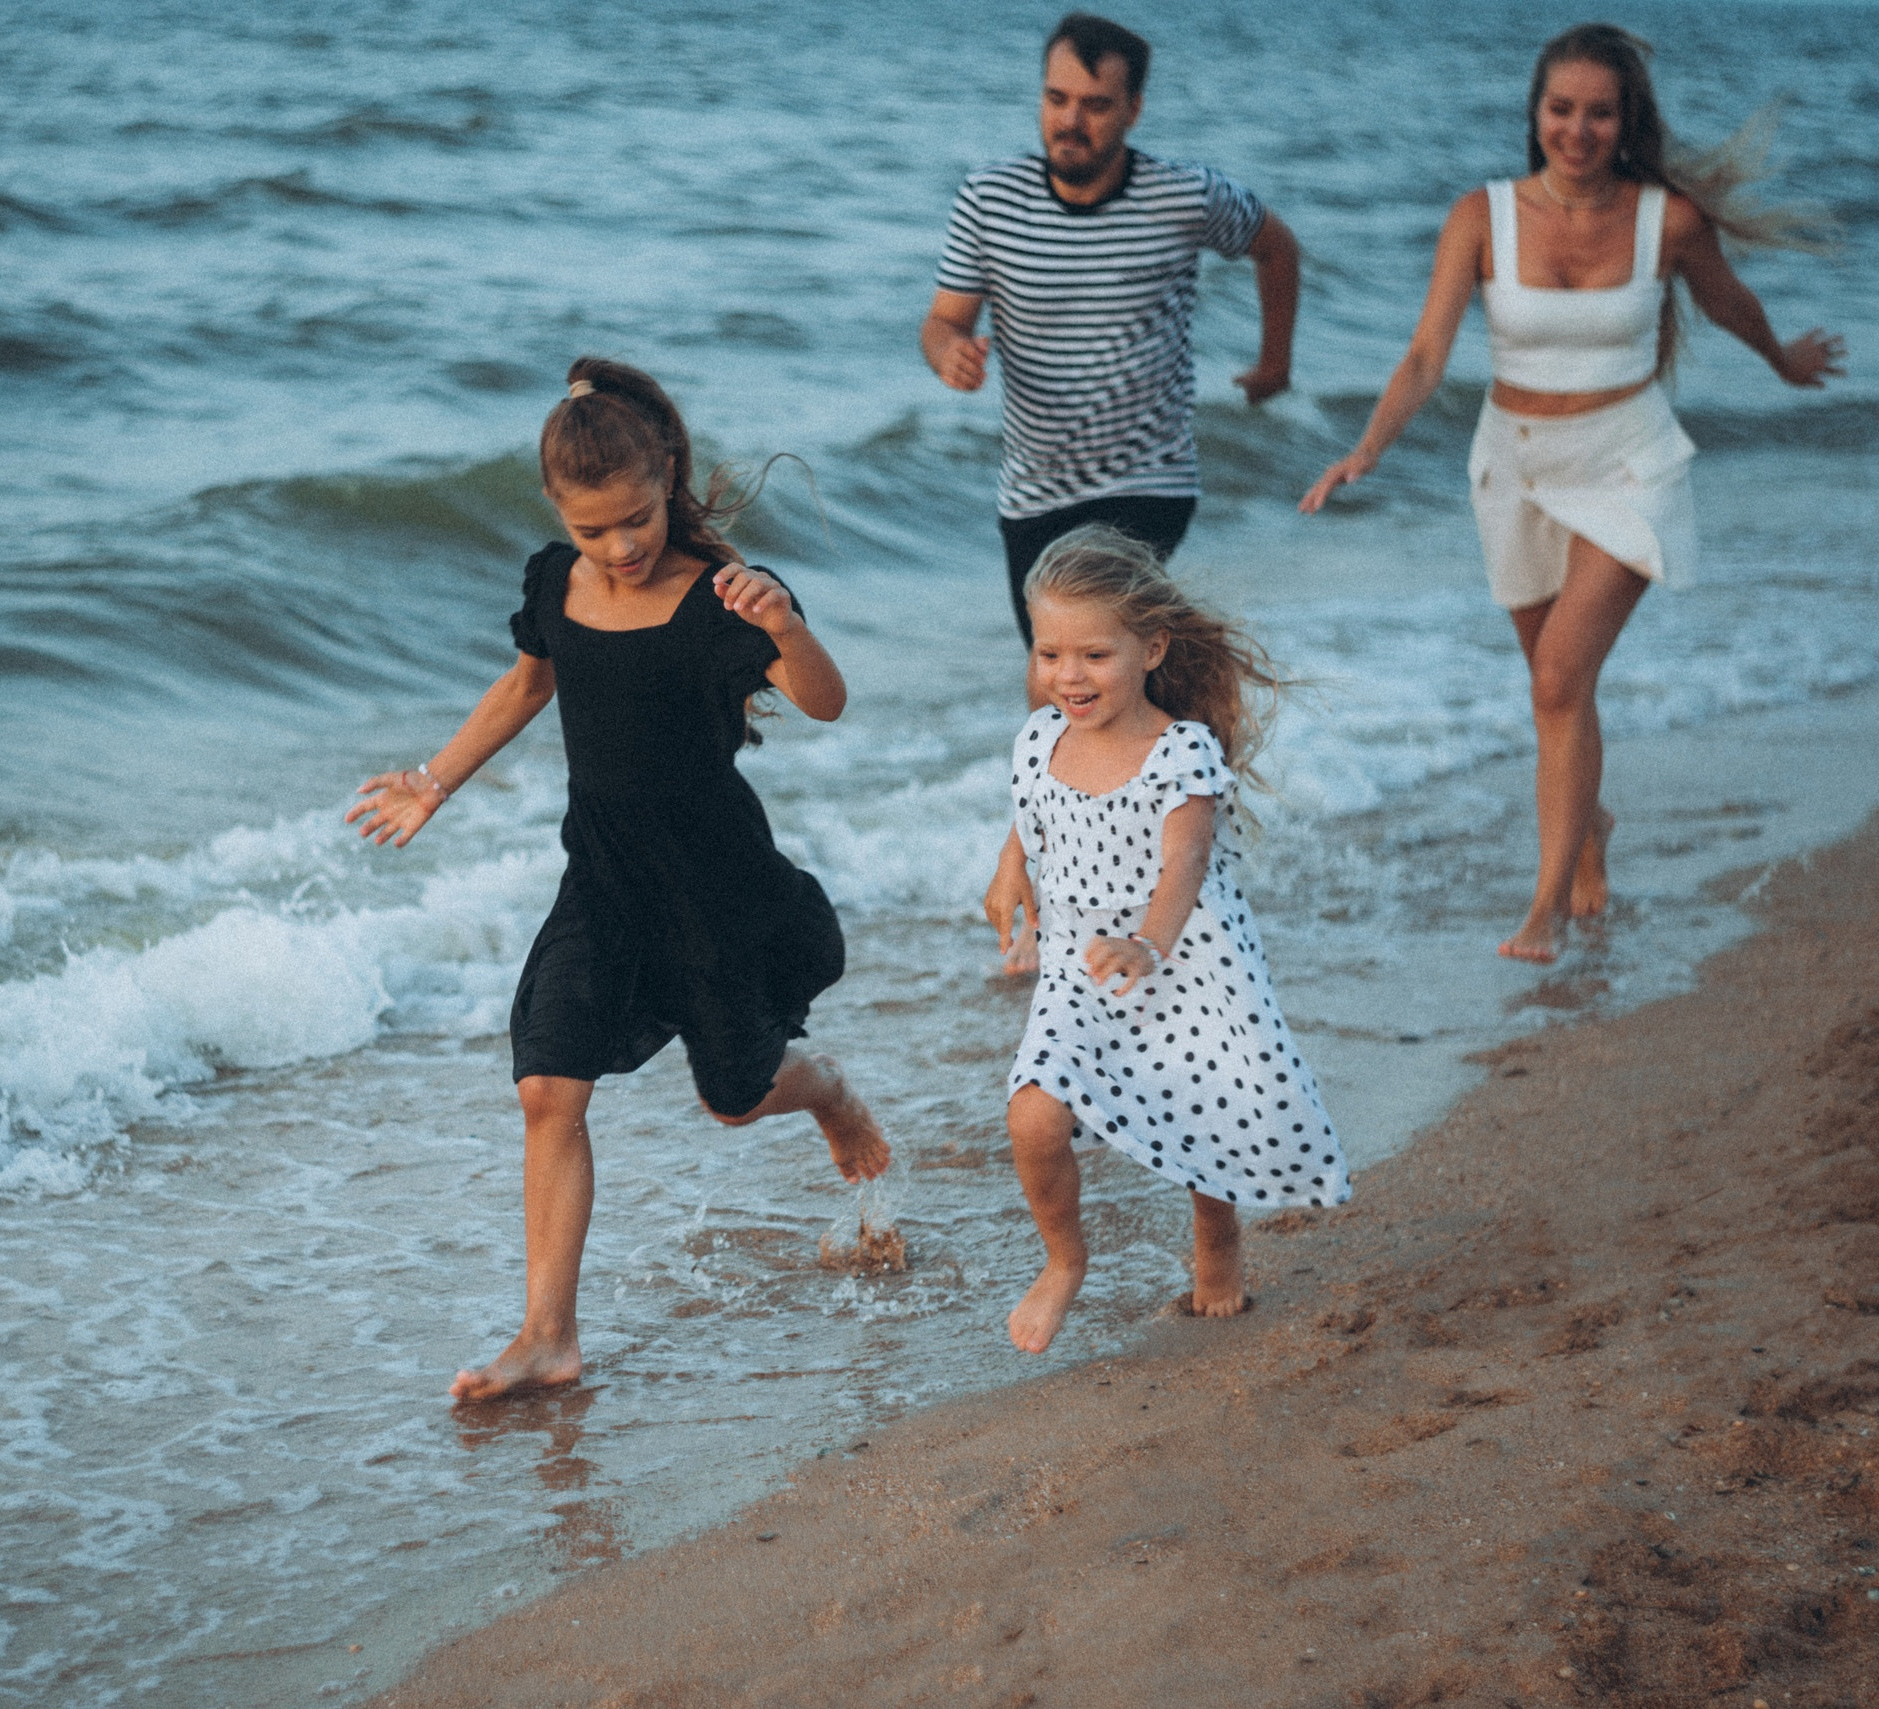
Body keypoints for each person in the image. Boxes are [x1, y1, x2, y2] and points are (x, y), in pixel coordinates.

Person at [347, 357, 892, 1403]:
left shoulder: (719, 597)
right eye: (595, 529)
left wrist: (783, 623)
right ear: (559, 513)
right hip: (600, 877)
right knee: (548, 1085)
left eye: (636, 519)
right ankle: (547, 1335)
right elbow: (525, 683)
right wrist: (432, 781)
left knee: (736, 1099)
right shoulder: (554, 582)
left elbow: (824, 702)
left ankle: (825, 1089)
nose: (621, 545)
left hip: (713, 884)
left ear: (666, 476)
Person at [1300, 23, 1845, 963]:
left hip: (1628, 463)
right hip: (1513, 467)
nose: (1579, 130)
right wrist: (1368, 448)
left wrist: (1784, 361)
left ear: (1626, 119)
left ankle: (1545, 907)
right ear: (1536, 115)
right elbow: (1427, 352)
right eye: (1562, 110)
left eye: (1600, 112)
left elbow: (1729, 302)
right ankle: (1589, 831)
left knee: (1559, 679)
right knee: (1557, 687)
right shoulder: (1482, 216)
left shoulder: (1665, 221)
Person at [981, 525, 1343, 1355]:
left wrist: (1149, 943)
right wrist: (1011, 873)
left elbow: (1186, 859)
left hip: (1186, 961)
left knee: (1203, 1116)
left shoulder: (1180, 750)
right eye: (1049, 654)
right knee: (1033, 1113)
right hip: (1079, 966)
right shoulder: (1039, 736)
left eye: (1093, 655)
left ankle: (1216, 1238)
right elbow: (1028, 816)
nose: (1067, 676)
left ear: (1152, 647)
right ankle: (1064, 1259)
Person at [921, 11, 1300, 651]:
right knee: (1055, 671)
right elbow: (943, 321)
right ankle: (1169, 734)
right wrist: (949, 354)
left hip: (1149, 479)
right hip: (1034, 487)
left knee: (1092, 648)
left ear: (1134, 109)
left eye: (1096, 105)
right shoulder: (988, 198)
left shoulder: (1186, 196)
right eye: (1057, 98)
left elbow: (1277, 248)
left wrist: (1275, 364)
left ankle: (1173, 737)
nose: (1071, 121)